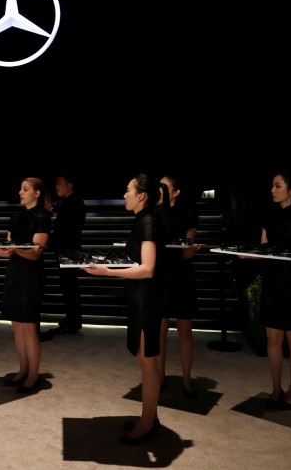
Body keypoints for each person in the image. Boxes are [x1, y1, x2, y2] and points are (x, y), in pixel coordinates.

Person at [83, 173, 165, 445]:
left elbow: (148, 268)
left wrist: (107, 271)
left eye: (128, 190)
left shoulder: (149, 221)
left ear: (141, 195)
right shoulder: (142, 220)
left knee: (147, 362)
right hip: (140, 297)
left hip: (147, 299)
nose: (124, 194)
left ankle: (148, 422)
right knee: (145, 360)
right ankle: (149, 416)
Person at [240, 170, 291, 411]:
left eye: (278, 186)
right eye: (272, 186)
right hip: (273, 280)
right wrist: (249, 255)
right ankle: (276, 388)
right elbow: (266, 249)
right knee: (273, 338)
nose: (272, 190)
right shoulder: (269, 215)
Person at [0, 177, 51, 393]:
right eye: (20, 189)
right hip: (14, 274)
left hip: (31, 276)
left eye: (25, 189)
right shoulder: (16, 217)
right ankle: (23, 370)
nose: (20, 192)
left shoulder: (42, 217)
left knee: (29, 327)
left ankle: (33, 375)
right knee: (17, 326)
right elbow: (6, 252)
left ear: (37, 193)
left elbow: (35, 254)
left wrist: (15, 250)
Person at [156, 174, 201, 398]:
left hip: (182, 275)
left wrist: (192, 247)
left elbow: (187, 252)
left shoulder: (187, 213)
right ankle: (160, 376)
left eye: (165, 187)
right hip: (161, 274)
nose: (161, 190)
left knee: (185, 330)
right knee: (160, 329)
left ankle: (186, 379)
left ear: (176, 192)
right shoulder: (155, 212)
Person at [48, 174, 87, 336]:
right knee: (69, 287)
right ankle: (72, 320)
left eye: (59, 184)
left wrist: (50, 243)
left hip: (68, 252)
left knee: (69, 287)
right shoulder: (73, 202)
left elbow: (64, 231)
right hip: (68, 250)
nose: (56, 187)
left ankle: (72, 322)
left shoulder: (72, 203)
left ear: (69, 185)